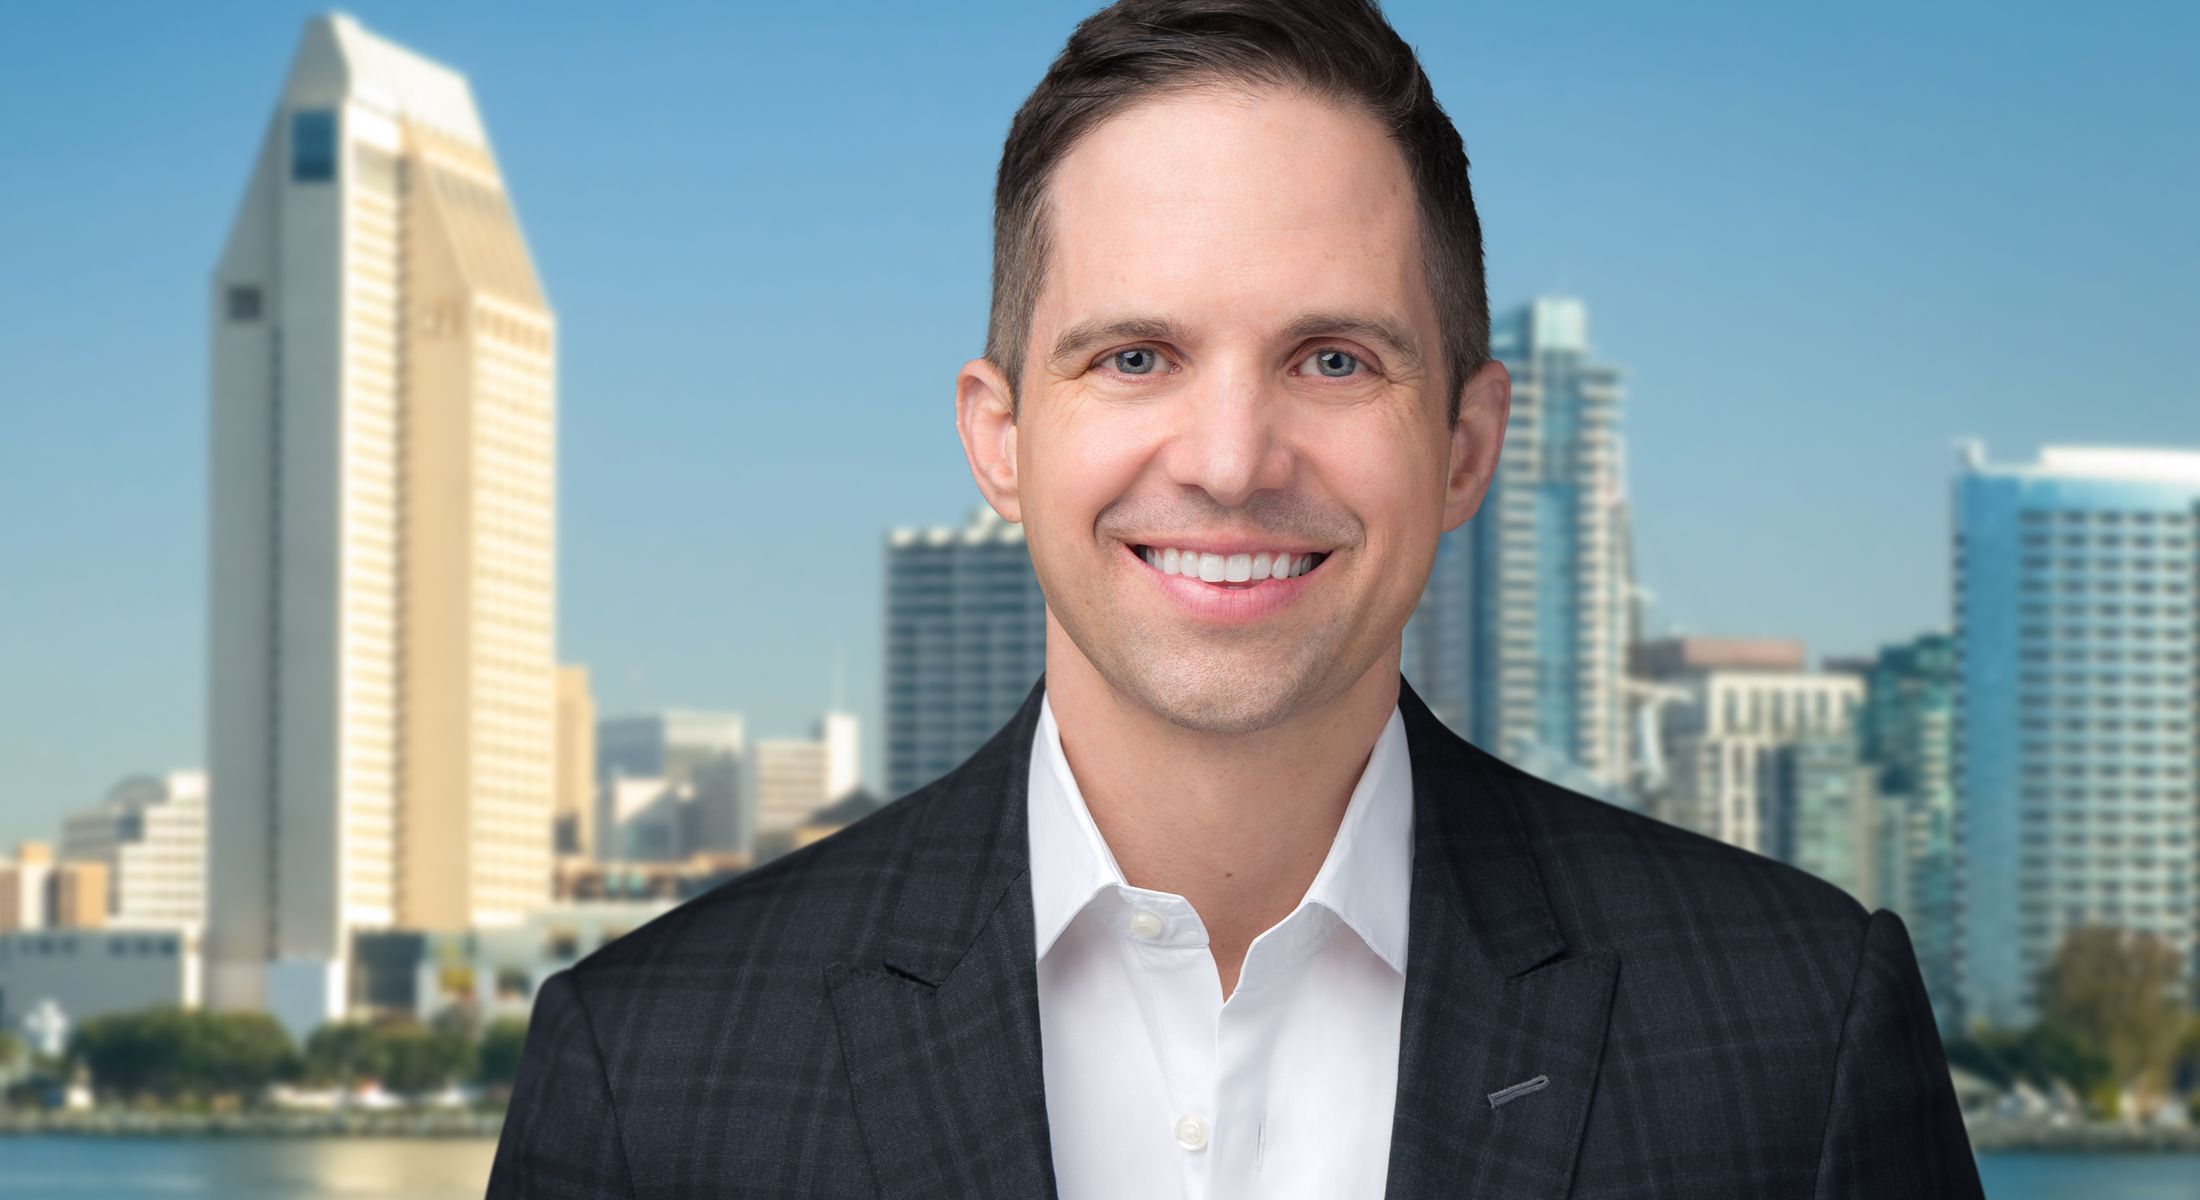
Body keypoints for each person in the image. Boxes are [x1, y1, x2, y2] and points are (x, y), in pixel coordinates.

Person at [488, 0, 1984, 1195]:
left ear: (1466, 444)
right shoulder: (649, 1072)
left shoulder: (1799, 1032)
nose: (1227, 461)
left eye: (1333, 359)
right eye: (1134, 355)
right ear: (999, 440)